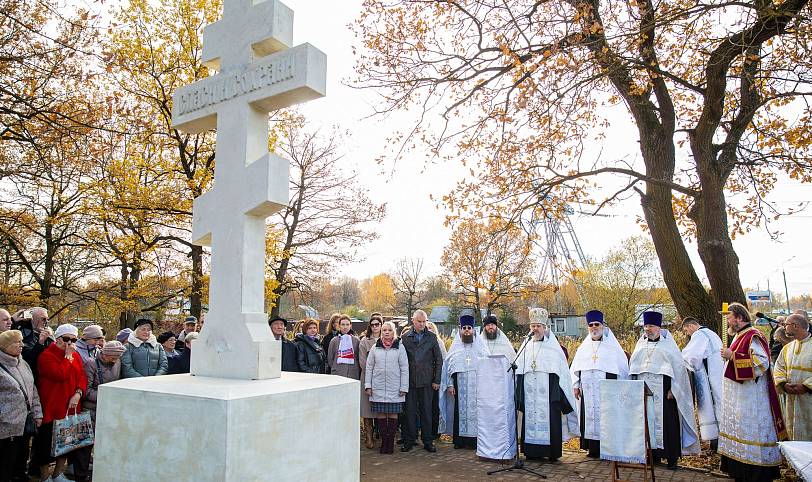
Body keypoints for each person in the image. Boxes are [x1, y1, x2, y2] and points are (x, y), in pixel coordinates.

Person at [719, 302, 787, 481]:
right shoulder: (739, 335)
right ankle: (740, 472)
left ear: (739, 318)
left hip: (751, 399)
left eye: (729, 316)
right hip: (739, 398)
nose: (727, 320)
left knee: (752, 434)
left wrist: (732, 356)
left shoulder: (753, 335)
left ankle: (756, 474)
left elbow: (761, 363)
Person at [629, 311, 699, 470]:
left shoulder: (669, 346)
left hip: (664, 393)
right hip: (644, 393)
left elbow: (679, 371)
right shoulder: (640, 345)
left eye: (651, 326)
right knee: (647, 424)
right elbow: (633, 369)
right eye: (645, 326)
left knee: (668, 426)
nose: (647, 329)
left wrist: (674, 391)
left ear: (659, 327)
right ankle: (652, 455)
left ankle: (672, 458)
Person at [515, 307, 578, 462]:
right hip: (530, 393)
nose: (535, 329)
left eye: (538, 326)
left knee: (550, 420)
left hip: (549, 394)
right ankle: (531, 451)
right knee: (529, 419)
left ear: (545, 328)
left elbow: (560, 373)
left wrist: (556, 395)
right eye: (533, 326)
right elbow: (519, 371)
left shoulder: (554, 348)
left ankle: (551, 452)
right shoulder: (526, 346)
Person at [570, 309, 629, 458]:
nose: (594, 327)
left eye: (597, 324)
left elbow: (622, 369)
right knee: (590, 417)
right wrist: (576, 385)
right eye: (591, 325)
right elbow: (576, 368)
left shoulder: (612, 346)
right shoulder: (584, 347)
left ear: (602, 325)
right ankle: (593, 449)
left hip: (607, 391)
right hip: (588, 391)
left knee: (606, 418)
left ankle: (608, 449)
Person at [34, 324, 87, 482]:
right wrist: (67, 357)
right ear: (57, 339)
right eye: (66, 339)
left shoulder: (75, 355)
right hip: (52, 406)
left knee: (67, 443)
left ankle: (58, 474)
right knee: (45, 444)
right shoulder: (46, 356)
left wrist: (78, 393)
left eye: (73, 340)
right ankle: (45, 477)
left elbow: (82, 377)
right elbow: (59, 375)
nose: (69, 343)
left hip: (71, 406)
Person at [439, 314, 488, 450]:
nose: (467, 330)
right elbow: (447, 367)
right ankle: (459, 441)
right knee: (459, 413)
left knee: (476, 413)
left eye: (469, 328)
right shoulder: (455, 348)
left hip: (476, 388)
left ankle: (475, 441)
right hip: (459, 387)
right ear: (460, 330)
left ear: (473, 330)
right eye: (464, 328)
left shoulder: (481, 348)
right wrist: (449, 384)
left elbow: (487, 367)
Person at [0, 330, 43, 482]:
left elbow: (33, 390)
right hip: (6, 428)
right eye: (17, 342)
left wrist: (37, 413)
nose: (22, 345)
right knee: (5, 465)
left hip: (25, 424)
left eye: (21, 341)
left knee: (21, 461)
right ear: (5, 346)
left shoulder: (23, 363)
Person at [400, 309, 444, 453]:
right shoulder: (405, 338)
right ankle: (409, 440)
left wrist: (436, 379)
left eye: (424, 321)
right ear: (413, 321)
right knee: (409, 412)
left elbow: (439, 360)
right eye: (419, 321)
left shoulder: (432, 337)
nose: (422, 324)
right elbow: (401, 360)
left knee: (427, 412)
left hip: (427, 381)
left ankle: (428, 441)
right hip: (410, 381)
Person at [680, 316, 724, 451]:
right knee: (719, 405)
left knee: (712, 406)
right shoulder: (711, 333)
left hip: (709, 377)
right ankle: (721, 439)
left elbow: (690, 356)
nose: (688, 334)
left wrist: (679, 360)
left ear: (691, 326)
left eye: (686, 331)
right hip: (718, 375)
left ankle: (716, 441)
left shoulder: (699, 335)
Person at [365, 321, 409, 454]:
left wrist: (404, 387)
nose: (386, 332)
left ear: (393, 331)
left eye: (389, 330)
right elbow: (369, 367)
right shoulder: (375, 347)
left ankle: (390, 443)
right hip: (377, 387)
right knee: (381, 415)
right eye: (384, 330)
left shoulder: (399, 347)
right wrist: (368, 385)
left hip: (395, 387)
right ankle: (384, 442)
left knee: (393, 414)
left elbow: (404, 368)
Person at [70, 325, 104, 482]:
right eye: (96, 338)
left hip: (86, 391)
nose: (99, 341)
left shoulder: (95, 349)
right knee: (79, 435)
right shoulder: (78, 350)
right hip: (79, 395)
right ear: (87, 338)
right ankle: (73, 466)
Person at [773, 313, 811, 441]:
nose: (784, 328)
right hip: (791, 399)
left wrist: (806, 386)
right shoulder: (787, 348)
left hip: (808, 399)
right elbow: (779, 367)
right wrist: (783, 384)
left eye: (786, 325)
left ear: (795, 326)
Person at [83, 341, 125, 420]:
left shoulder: (118, 362)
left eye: (118, 357)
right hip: (93, 407)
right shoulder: (91, 364)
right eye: (113, 358)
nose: (114, 361)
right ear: (105, 354)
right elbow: (86, 390)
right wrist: (106, 396)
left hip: (110, 406)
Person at [359, 313, 382, 449]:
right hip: (367, 378)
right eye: (372, 325)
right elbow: (363, 362)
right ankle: (368, 437)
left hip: (382, 380)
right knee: (367, 410)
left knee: (379, 410)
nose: (375, 327)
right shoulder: (364, 341)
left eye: (377, 324)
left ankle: (380, 434)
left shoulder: (387, 339)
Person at [11, 307, 52, 383]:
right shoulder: (22, 334)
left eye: (47, 319)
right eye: (43, 319)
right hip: (28, 379)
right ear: (32, 319)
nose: (46, 322)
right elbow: (27, 359)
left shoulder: (48, 336)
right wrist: (40, 343)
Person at [426, 320, 447, 440]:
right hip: (425, 378)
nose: (429, 330)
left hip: (436, 377)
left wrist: (438, 378)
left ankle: (435, 430)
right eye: (427, 328)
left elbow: (444, 360)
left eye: (431, 328)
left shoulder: (438, 342)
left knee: (435, 406)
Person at [328, 315, 361, 379]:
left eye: (347, 324)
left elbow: (358, 357)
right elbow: (330, 359)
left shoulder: (356, 340)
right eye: (343, 324)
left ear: (350, 326)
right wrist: (336, 367)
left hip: (353, 373)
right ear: (339, 325)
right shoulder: (334, 341)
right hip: (337, 373)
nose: (345, 327)